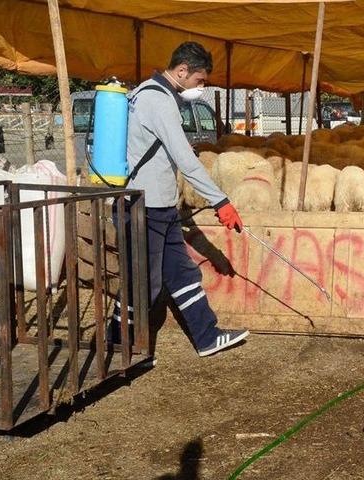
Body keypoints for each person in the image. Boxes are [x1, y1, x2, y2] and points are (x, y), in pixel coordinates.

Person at [109, 41, 249, 357]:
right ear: (182, 71)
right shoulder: (158, 101)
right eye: (200, 81)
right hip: (145, 206)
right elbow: (185, 158)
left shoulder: (145, 93)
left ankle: (207, 337)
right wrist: (220, 201)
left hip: (160, 204)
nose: (201, 87)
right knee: (143, 284)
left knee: (182, 273)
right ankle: (118, 342)